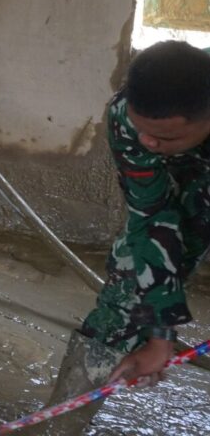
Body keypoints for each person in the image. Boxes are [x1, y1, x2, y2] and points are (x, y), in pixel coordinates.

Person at [41, 40, 210, 434]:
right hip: (186, 182)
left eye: (164, 139)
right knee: (130, 282)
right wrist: (159, 334)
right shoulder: (125, 119)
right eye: (144, 132)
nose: (149, 144)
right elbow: (151, 216)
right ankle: (61, 423)